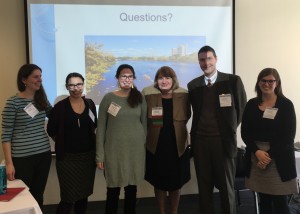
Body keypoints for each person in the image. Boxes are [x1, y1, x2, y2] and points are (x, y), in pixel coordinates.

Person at [187, 45, 247, 214]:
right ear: (199, 62)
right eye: (202, 60)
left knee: (226, 187)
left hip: (223, 142)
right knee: (204, 188)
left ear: (216, 59)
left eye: (209, 58)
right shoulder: (193, 85)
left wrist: (227, 128)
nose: (206, 63)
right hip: (200, 143)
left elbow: (241, 109)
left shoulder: (232, 81)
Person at [241, 68, 298, 214]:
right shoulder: (251, 104)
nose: (266, 84)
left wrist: (267, 156)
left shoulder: (286, 105)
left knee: (280, 203)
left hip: (278, 159)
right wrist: (257, 152)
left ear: (277, 83)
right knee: (264, 200)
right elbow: (245, 133)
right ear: (258, 83)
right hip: (256, 157)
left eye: (270, 81)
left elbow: (288, 137)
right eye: (263, 80)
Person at [96, 64, 147, 214]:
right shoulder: (108, 98)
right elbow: (101, 129)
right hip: (113, 152)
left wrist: (142, 144)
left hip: (135, 152)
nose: (126, 79)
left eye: (130, 76)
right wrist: (100, 155)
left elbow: (144, 124)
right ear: (118, 78)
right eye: (123, 76)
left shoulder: (139, 97)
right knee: (113, 191)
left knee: (132, 191)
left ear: (133, 78)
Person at [1, 64, 52, 209]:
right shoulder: (13, 102)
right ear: (24, 80)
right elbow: (6, 135)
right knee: (23, 197)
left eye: (40, 76)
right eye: (36, 77)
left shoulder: (42, 100)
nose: (40, 80)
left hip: (43, 155)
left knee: (38, 194)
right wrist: (9, 163)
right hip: (22, 158)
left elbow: (56, 116)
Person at [142, 66, 191, 214]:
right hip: (156, 145)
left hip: (178, 145)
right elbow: (144, 118)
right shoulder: (148, 94)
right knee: (159, 182)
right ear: (157, 80)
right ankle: (162, 211)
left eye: (167, 77)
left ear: (173, 79)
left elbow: (187, 115)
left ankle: (174, 211)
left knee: (176, 182)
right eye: (161, 78)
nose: (164, 81)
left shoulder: (183, 94)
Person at [47, 72, 97, 214]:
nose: (76, 88)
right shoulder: (60, 107)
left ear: (83, 84)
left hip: (87, 158)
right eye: (72, 85)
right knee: (68, 198)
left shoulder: (90, 104)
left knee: (83, 196)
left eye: (79, 84)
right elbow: (51, 130)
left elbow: (94, 125)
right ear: (67, 87)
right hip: (67, 159)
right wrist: (62, 142)